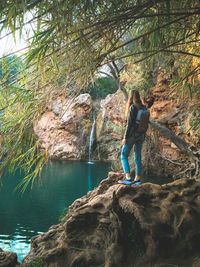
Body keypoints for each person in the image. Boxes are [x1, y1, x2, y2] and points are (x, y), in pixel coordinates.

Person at [119, 90, 154, 185]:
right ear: (139, 97)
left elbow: (129, 124)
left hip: (132, 135)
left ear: (131, 97)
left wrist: (125, 137)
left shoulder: (133, 107)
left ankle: (128, 177)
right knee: (138, 157)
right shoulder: (144, 108)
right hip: (141, 135)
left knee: (123, 155)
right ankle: (137, 179)